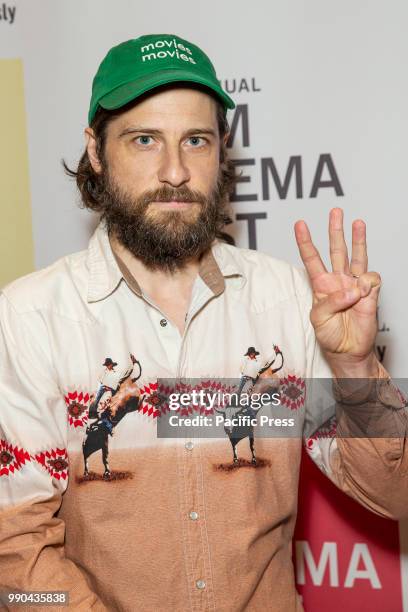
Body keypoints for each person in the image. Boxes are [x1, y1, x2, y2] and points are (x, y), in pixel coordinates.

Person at [0, 33, 407, 612]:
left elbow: (395, 495)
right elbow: (16, 561)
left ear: (222, 150)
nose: (175, 171)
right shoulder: (29, 317)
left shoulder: (286, 299)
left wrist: (354, 367)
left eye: (196, 140)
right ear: (95, 150)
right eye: (145, 140)